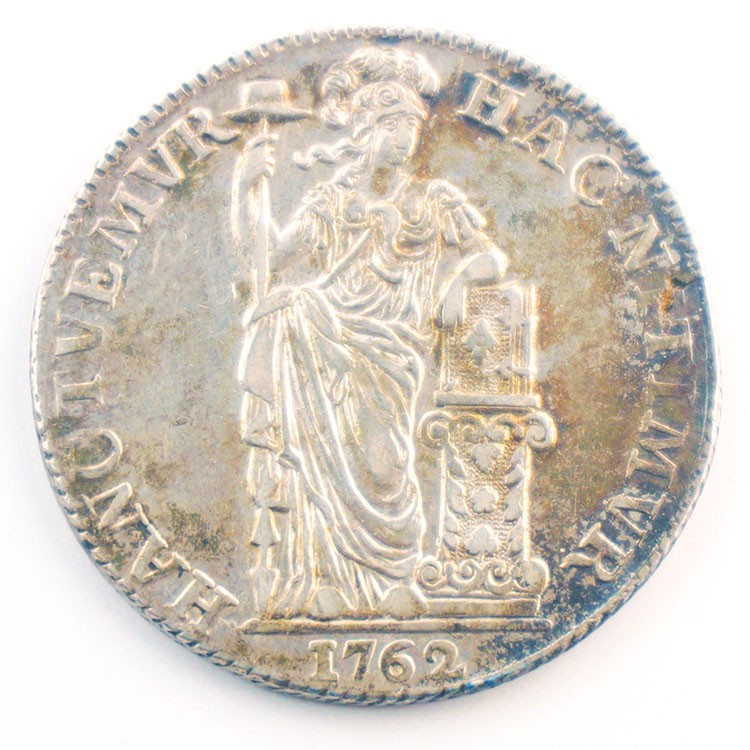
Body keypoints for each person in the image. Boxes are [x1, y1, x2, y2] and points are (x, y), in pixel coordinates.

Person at [234, 47, 508, 619]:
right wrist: (248, 191)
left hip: (393, 353)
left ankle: (394, 577)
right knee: (316, 455)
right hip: (325, 345)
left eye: (412, 127)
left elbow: (489, 258)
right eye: (392, 126)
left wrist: (455, 286)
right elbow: (271, 258)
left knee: (386, 464)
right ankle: (322, 582)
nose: (405, 139)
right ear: (365, 131)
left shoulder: (432, 200)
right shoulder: (331, 202)